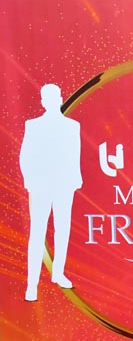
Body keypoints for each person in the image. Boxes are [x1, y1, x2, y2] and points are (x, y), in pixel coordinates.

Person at [19, 83, 82, 302]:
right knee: (37, 232)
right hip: (41, 185)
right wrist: (30, 181)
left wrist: (76, 180)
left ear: (60, 100)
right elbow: (25, 156)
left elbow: (74, 154)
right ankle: (32, 285)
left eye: (55, 98)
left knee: (63, 230)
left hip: (64, 185)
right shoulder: (33, 126)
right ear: (43, 102)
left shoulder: (72, 126)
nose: (53, 101)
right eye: (48, 98)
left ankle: (58, 273)